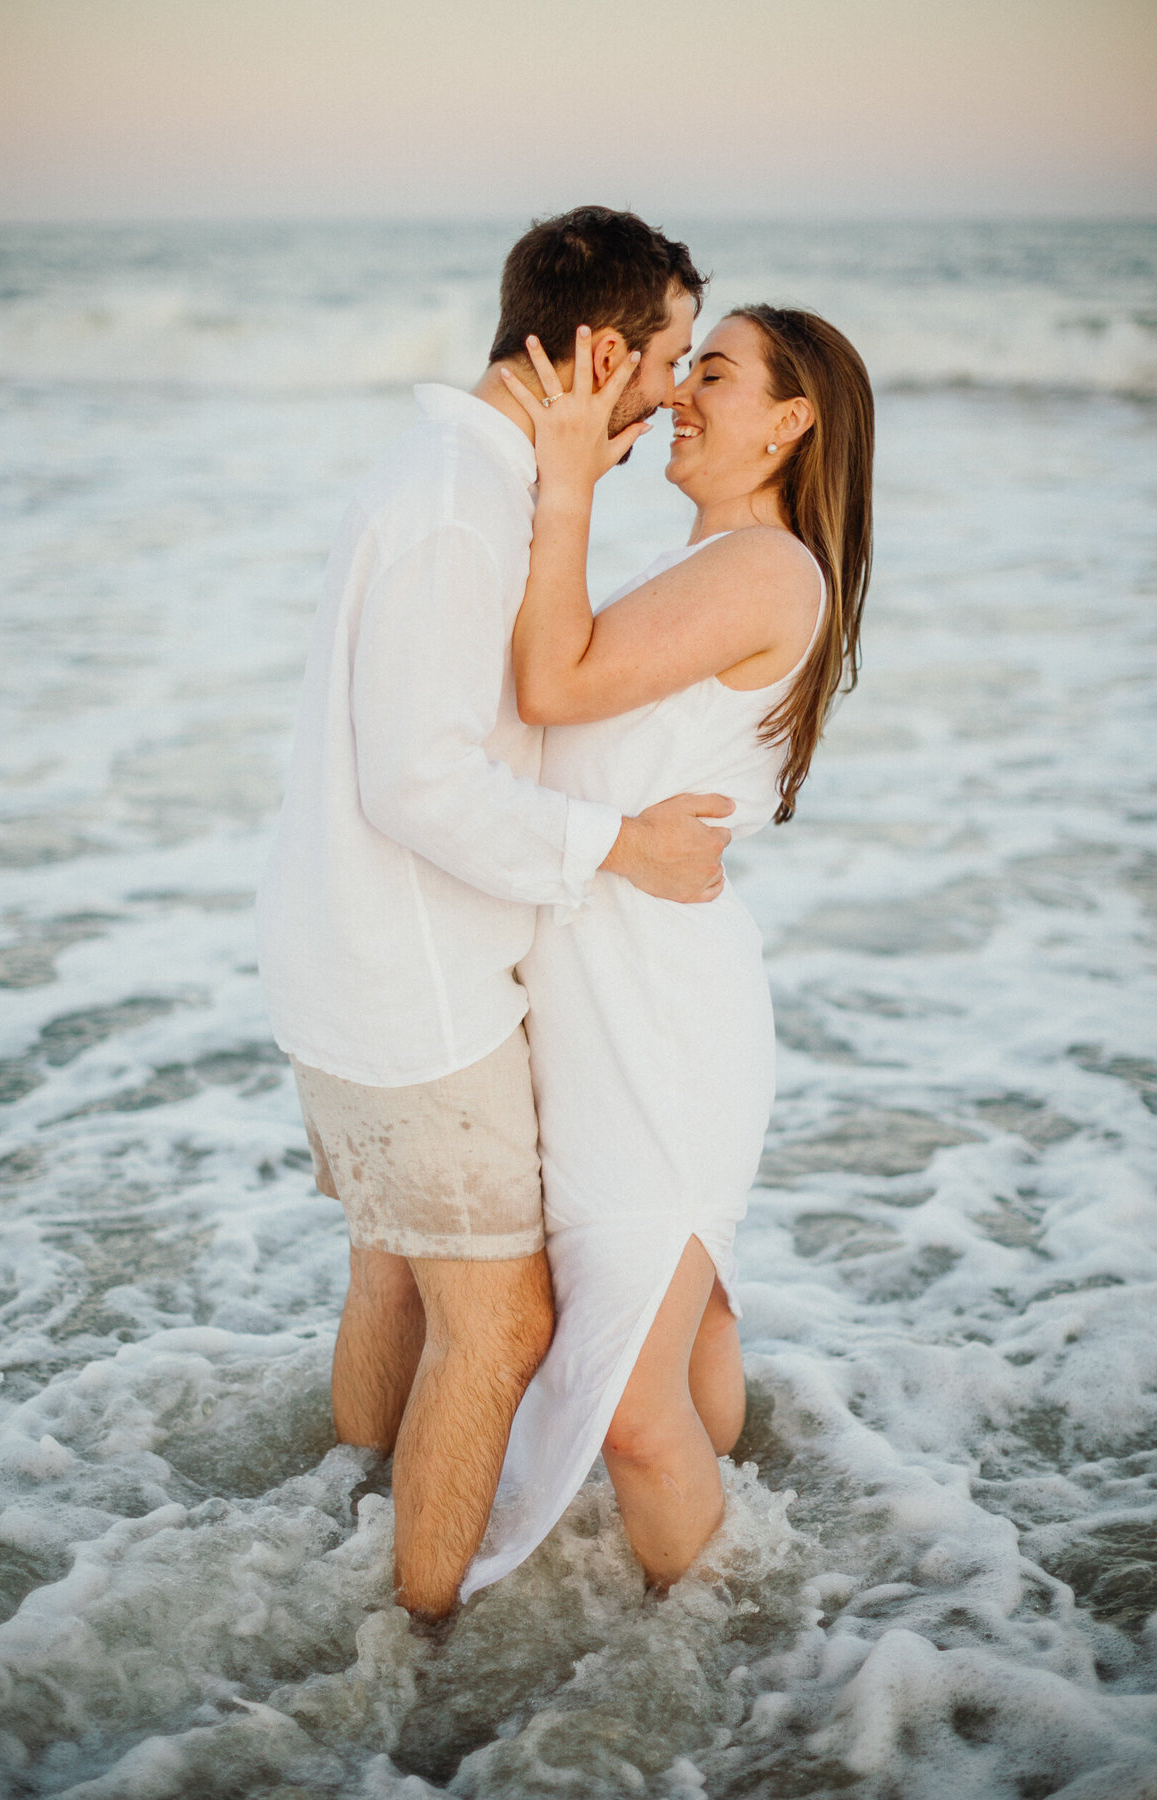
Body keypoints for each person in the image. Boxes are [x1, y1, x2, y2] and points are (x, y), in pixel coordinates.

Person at [255, 208, 737, 1621]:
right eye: (668, 361)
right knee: (503, 1324)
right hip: (417, 994)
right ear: (598, 352)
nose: (669, 395)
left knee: (397, 1276)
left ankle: (350, 1503)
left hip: (345, 962)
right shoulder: (467, 511)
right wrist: (617, 844)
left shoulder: (448, 474)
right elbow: (421, 782)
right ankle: (415, 1646)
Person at [462, 303, 874, 1599]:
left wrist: (570, 476)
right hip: (615, 995)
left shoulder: (762, 568)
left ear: (791, 422)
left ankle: (732, 1687)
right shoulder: (712, 570)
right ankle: (806, 1592)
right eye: (686, 369)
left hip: (660, 1016)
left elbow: (552, 687)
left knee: (638, 1416)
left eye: (716, 373)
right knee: (687, 1361)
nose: (683, 394)